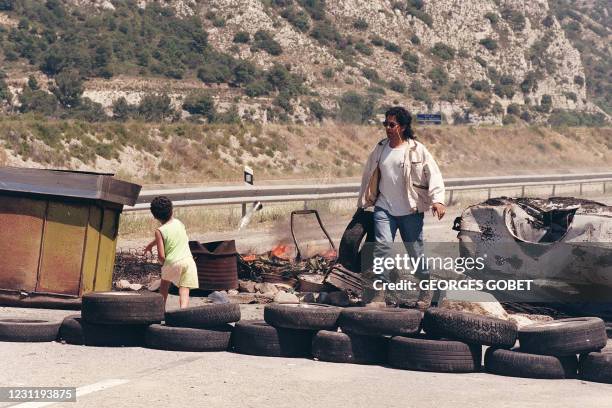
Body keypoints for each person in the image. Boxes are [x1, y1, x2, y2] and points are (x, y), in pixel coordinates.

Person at [357, 106, 446, 310]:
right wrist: (363, 202)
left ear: (403, 127)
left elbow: (434, 174)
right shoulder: (380, 149)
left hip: (410, 211)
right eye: (385, 124)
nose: (388, 128)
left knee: (415, 252)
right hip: (384, 208)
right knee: (382, 248)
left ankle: (425, 289)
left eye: (392, 124)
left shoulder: (417, 150)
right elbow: (367, 177)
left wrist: (438, 200)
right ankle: (380, 293)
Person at [144, 196, 199, 309]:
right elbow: (170, 236)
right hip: (188, 261)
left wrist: (164, 264)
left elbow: (161, 255)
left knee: (164, 286)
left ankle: (160, 311)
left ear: (155, 216)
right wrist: (150, 244)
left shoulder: (159, 231)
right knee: (184, 289)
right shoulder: (179, 223)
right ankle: (183, 311)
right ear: (172, 210)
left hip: (172, 262)